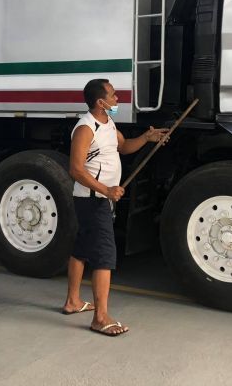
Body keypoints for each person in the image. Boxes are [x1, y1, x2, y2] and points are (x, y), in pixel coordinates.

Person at [61, 78, 168, 336]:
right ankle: (100, 317)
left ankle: (73, 302)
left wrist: (147, 137)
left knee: (82, 249)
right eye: (112, 94)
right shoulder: (85, 128)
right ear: (100, 102)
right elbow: (75, 169)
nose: (117, 98)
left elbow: (124, 146)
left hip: (99, 199)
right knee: (104, 256)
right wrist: (106, 190)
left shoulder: (108, 124)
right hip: (92, 199)